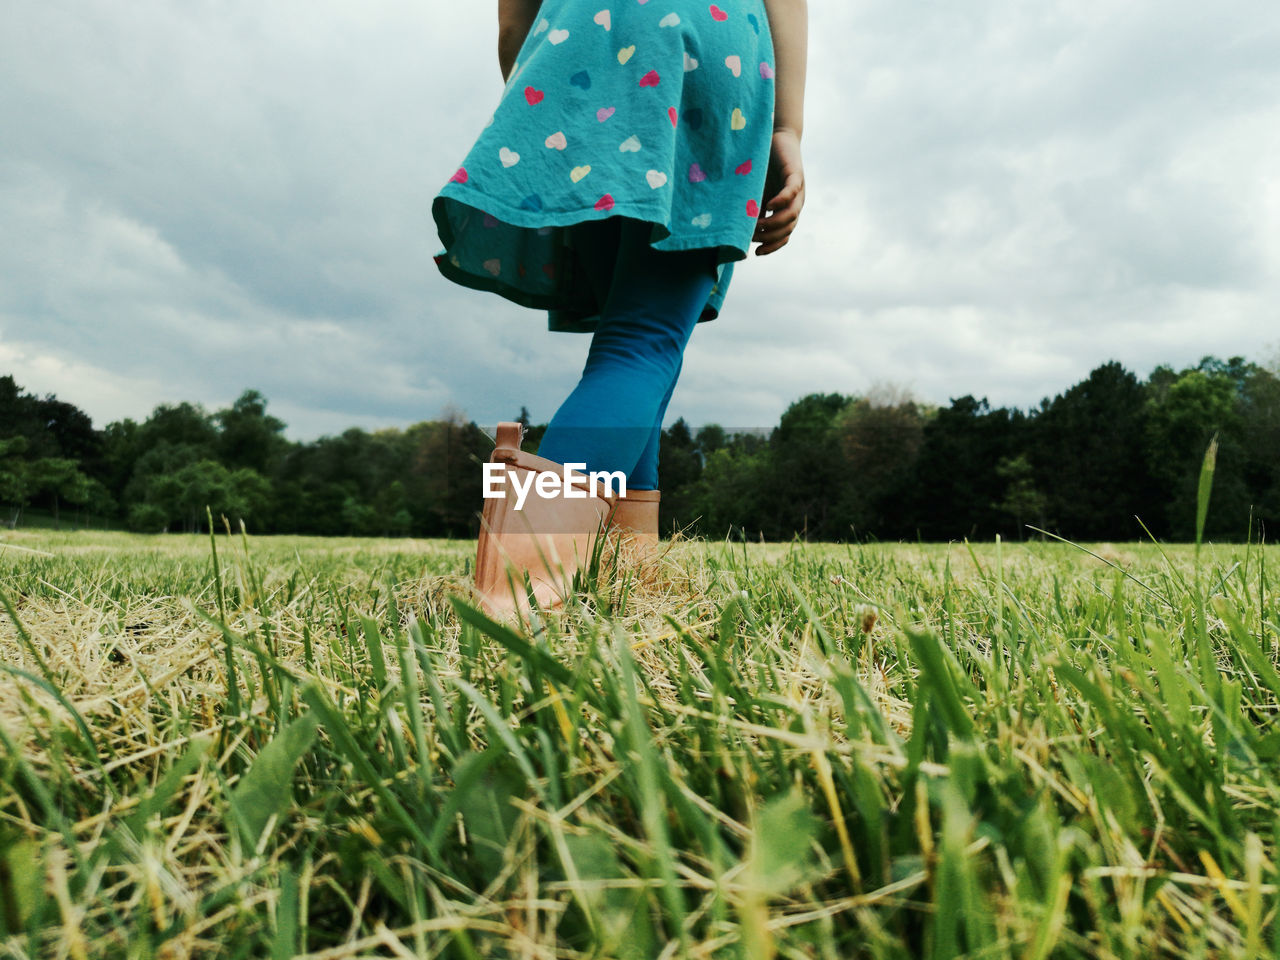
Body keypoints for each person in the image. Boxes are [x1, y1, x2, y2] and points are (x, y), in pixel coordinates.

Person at [432, 0, 808, 615]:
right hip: (706, 39)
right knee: (643, 340)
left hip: (579, 48)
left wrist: (548, 87)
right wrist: (787, 127)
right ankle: (510, 602)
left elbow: (512, 18)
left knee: (628, 339)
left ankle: (629, 576)